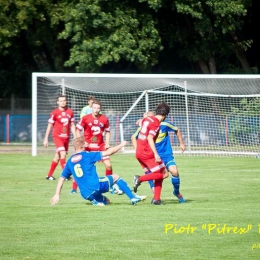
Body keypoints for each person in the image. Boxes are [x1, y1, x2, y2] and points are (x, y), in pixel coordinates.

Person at [50, 137, 146, 206]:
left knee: (107, 201)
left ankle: (96, 202)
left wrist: (57, 194)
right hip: (96, 186)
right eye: (85, 143)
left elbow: (61, 178)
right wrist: (121, 145)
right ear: (82, 146)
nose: (87, 144)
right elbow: (109, 152)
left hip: (85, 194)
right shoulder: (88, 155)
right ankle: (132, 197)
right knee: (116, 177)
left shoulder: (70, 161)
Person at [131, 111, 186, 203]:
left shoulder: (163, 124)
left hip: (165, 154)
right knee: (158, 175)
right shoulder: (147, 125)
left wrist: (181, 143)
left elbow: (177, 129)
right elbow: (133, 137)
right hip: (151, 155)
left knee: (174, 171)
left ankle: (176, 192)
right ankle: (156, 198)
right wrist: (138, 149)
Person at [73, 100, 122, 194]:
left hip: (100, 146)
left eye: (98, 108)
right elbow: (77, 130)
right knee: (81, 166)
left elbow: (107, 132)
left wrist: (107, 143)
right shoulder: (85, 118)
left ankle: (111, 185)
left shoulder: (104, 119)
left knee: (108, 165)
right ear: (91, 108)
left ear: (100, 109)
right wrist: (82, 142)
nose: (96, 110)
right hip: (88, 147)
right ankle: (74, 188)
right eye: (94, 108)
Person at [132, 102, 170, 205]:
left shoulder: (147, 119)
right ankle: (139, 179)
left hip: (139, 151)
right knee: (162, 174)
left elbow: (138, 122)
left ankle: (156, 199)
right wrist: (156, 154)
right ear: (165, 115)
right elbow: (149, 137)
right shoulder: (156, 123)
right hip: (146, 152)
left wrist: (141, 120)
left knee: (164, 173)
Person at [43, 95, 76, 180]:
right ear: (57, 102)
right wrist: (46, 138)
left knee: (57, 157)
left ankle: (49, 175)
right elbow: (50, 126)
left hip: (66, 138)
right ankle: (65, 175)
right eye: (61, 101)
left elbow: (72, 125)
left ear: (66, 101)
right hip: (57, 137)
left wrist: (75, 136)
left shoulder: (70, 112)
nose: (62, 102)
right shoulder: (54, 113)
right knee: (63, 154)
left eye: (64, 100)